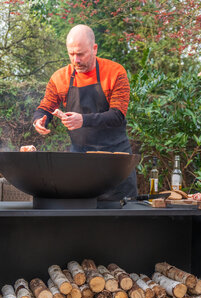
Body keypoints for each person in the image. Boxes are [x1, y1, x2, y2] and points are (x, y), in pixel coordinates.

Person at [33, 24, 137, 201]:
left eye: (80, 54)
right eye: (71, 54)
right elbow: (46, 107)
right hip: (79, 162)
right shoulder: (60, 77)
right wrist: (39, 120)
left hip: (116, 161)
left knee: (123, 221)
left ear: (94, 49)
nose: (76, 60)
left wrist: (83, 120)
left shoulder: (115, 72)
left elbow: (117, 115)